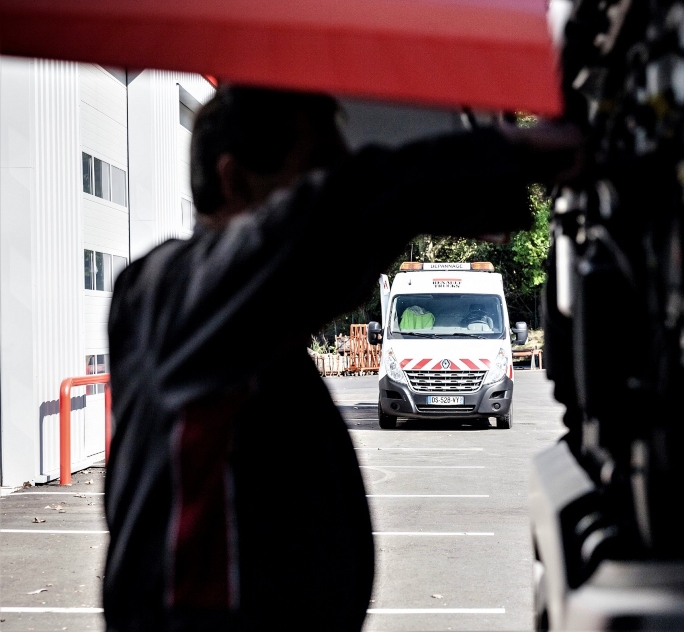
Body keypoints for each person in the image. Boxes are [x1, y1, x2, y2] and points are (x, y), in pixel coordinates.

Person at [103, 86, 580, 631]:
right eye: (316, 172)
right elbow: (333, 215)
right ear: (233, 179)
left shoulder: (242, 330)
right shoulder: (166, 294)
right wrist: (510, 153)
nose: (338, 190)